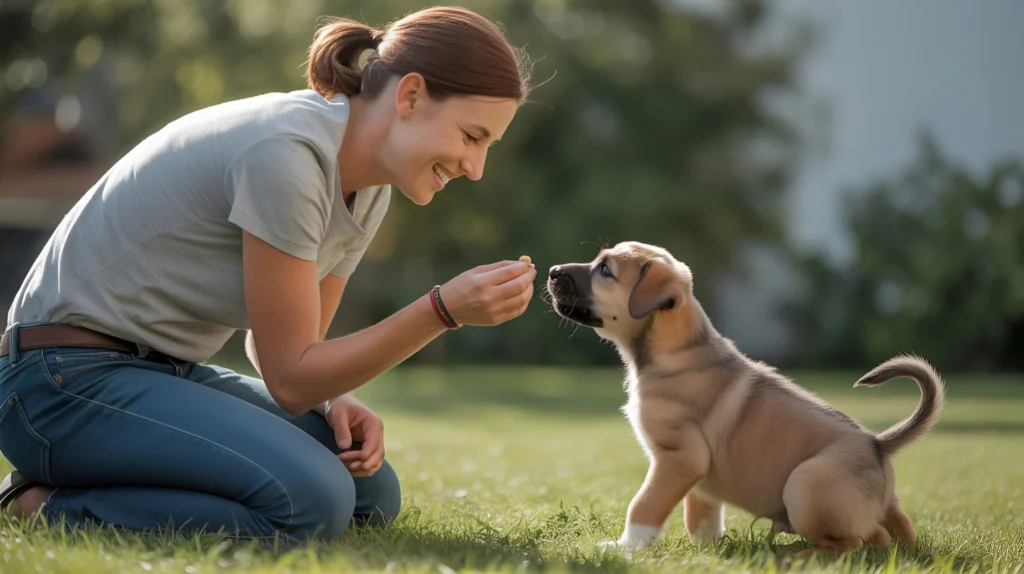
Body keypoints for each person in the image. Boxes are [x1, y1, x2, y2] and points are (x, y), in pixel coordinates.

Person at [0, 6, 537, 541]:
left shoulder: (368, 188)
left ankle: (98, 480)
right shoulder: (287, 153)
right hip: (57, 383)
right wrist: (441, 311)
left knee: (370, 493)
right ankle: (41, 505)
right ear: (411, 96)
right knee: (312, 502)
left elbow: (289, 352)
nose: (475, 168)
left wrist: (334, 398)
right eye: (471, 136)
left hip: (159, 374)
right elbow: (291, 377)